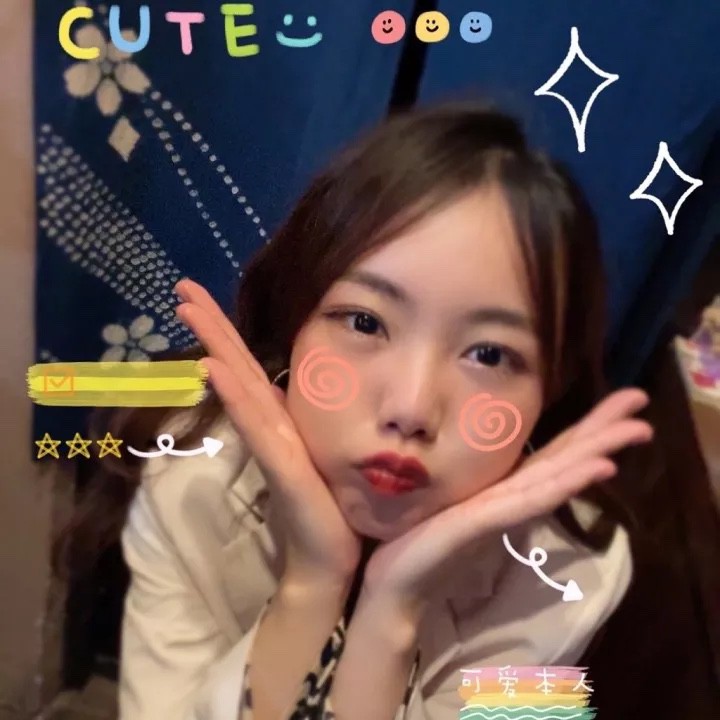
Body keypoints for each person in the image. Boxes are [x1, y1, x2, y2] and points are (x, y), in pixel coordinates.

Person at [55, 102, 654, 720]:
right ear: (295, 323)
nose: (411, 408)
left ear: (550, 389)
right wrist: (312, 584)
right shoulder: (190, 476)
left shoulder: (577, 572)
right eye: (365, 322)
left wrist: (391, 617)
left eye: (490, 354)